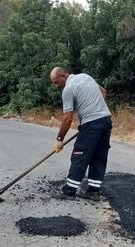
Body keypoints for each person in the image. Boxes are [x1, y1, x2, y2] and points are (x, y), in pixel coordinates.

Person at [49, 67, 112, 201]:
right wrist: (96, 109)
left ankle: (69, 191)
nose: (55, 86)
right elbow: (103, 91)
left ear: (63, 76)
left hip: (92, 123)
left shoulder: (68, 89)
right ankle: (93, 191)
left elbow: (67, 118)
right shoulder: (85, 77)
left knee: (80, 155)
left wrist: (59, 139)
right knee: (98, 156)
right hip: (106, 121)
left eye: (56, 82)